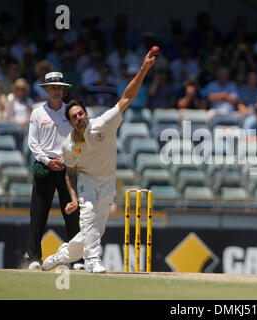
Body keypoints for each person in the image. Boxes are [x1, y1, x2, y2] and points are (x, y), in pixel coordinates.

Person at [41, 49, 156, 273]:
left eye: (81, 114)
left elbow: (127, 97)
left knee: (95, 229)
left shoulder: (103, 124)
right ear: (71, 122)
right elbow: (70, 174)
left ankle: (61, 256)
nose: (79, 118)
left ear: (86, 114)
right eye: (74, 117)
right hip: (87, 181)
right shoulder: (68, 146)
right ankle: (92, 261)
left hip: (108, 180)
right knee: (88, 213)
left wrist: (144, 69)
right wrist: (74, 198)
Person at [23, 72, 81, 270]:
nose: (56, 90)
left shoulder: (71, 111)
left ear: (63, 89)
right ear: (46, 90)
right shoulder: (38, 113)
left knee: (73, 214)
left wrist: (66, 159)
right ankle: (33, 258)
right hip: (46, 166)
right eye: (52, 87)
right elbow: (33, 143)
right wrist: (48, 161)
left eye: (59, 87)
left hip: (67, 167)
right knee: (38, 214)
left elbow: (78, 138)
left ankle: (77, 260)